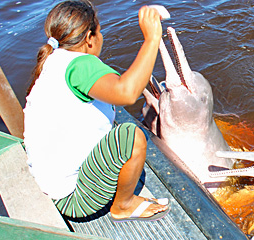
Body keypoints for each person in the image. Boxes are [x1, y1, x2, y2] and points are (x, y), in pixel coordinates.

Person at [24, 0, 169, 222]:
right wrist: (152, 39)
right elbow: (127, 93)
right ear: (90, 38)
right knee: (131, 136)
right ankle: (124, 206)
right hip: (76, 199)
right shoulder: (80, 64)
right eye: (99, 32)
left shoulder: (54, 61)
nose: (101, 37)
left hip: (54, 185)